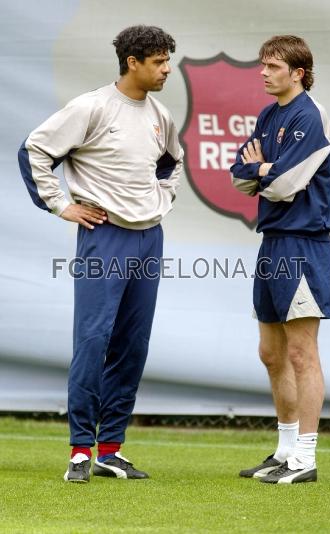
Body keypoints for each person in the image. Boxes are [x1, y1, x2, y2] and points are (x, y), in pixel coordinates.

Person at [18, 25, 183, 483]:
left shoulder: (160, 115)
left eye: (168, 60)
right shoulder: (91, 107)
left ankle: (110, 448)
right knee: (93, 341)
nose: (167, 68)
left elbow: (172, 163)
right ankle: (78, 451)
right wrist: (60, 204)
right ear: (133, 62)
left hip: (150, 239)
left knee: (133, 345)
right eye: (159, 61)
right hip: (104, 236)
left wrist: (161, 201)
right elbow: (34, 149)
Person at [230, 35, 330, 484]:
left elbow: (284, 185)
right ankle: (285, 450)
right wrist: (259, 170)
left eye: (273, 66)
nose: (263, 72)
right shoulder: (268, 114)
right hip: (272, 241)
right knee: (271, 353)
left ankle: (306, 460)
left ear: (298, 72)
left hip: (303, 244)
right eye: (263, 65)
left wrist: (264, 171)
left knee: (300, 352)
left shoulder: (309, 116)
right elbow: (239, 178)